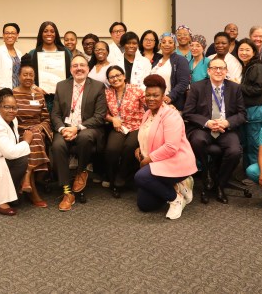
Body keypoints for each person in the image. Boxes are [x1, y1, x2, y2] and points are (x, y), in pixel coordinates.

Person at [183, 57, 246, 204]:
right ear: (209, 71)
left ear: (226, 71)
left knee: (235, 151)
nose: (218, 71)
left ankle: (220, 184)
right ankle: (206, 176)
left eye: (222, 68)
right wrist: (207, 122)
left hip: (226, 129)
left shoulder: (235, 88)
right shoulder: (197, 87)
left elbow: (242, 114)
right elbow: (188, 113)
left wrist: (227, 122)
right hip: (204, 128)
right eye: (215, 68)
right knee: (197, 141)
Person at [134, 75, 197, 219]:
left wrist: (147, 159)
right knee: (145, 205)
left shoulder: (171, 116)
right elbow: (147, 136)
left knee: (140, 177)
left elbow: (171, 147)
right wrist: (140, 148)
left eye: (155, 95)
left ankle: (175, 198)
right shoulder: (148, 114)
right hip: (159, 162)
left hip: (176, 161)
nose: (151, 98)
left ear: (163, 96)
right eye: (148, 95)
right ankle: (177, 186)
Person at [50, 55, 107, 211]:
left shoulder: (98, 86)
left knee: (85, 137)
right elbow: (55, 114)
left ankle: (81, 170)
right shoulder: (61, 86)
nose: (79, 68)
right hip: (66, 128)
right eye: (75, 66)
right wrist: (62, 129)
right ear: (70, 69)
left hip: (88, 129)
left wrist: (78, 128)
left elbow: (99, 116)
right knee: (57, 145)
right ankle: (67, 192)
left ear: (88, 69)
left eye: (82, 65)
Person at [13, 54, 51, 207]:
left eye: (31, 75)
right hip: (19, 129)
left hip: (37, 129)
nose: (28, 77)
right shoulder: (13, 93)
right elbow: (9, 116)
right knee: (32, 137)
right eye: (25, 74)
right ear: (19, 76)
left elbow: (46, 119)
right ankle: (33, 189)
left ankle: (27, 177)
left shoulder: (39, 95)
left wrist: (39, 127)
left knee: (34, 135)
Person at [104, 65, 146, 197]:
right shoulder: (107, 93)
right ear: (108, 80)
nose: (115, 78)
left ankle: (121, 178)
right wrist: (112, 119)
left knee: (129, 147)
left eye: (118, 75)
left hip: (136, 125)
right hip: (119, 127)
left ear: (124, 76)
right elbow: (102, 113)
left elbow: (151, 103)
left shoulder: (136, 90)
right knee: (112, 150)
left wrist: (167, 106)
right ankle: (112, 179)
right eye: (111, 77)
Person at [236, 38, 262, 171]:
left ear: (254, 52)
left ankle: (256, 173)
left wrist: (238, 86)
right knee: (246, 144)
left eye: (247, 50)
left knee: (255, 144)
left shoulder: (257, 67)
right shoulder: (247, 66)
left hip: (255, 111)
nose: (243, 52)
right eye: (241, 49)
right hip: (248, 111)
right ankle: (248, 171)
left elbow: (258, 89)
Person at [28, 21, 72, 112]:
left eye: (52, 31)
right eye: (45, 31)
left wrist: (64, 87)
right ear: (41, 34)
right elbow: (26, 76)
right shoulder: (32, 54)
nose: (49, 34)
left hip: (63, 97)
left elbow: (73, 74)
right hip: (40, 98)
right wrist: (35, 87)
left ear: (56, 34)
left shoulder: (66, 52)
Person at [150, 32, 190, 110]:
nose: (167, 44)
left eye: (170, 42)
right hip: (155, 103)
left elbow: (183, 82)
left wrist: (170, 96)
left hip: (172, 104)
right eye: (164, 42)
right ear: (160, 45)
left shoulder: (180, 60)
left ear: (174, 45)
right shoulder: (157, 61)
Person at [0, 23, 23, 97]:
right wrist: (7, 92)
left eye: (13, 33)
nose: (10, 35)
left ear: (17, 35)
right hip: (3, 93)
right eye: (7, 33)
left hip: (18, 93)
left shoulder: (19, 53)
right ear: (3, 35)